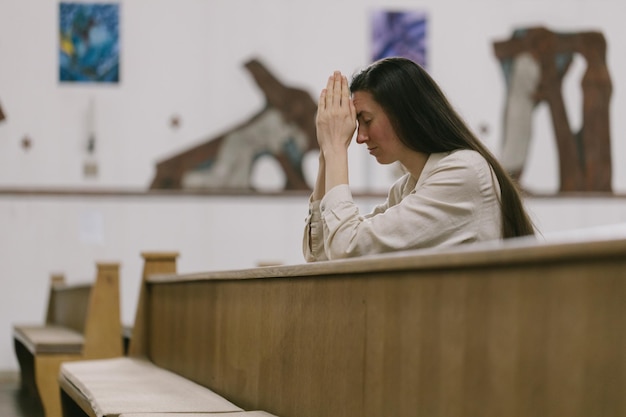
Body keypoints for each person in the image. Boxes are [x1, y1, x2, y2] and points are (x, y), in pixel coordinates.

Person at [303, 57, 536, 262]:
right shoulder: (406, 189)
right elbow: (321, 253)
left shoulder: (463, 172)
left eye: (367, 120)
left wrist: (335, 148)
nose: (360, 137)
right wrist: (326, 151)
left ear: (403, 115)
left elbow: (346, 247)